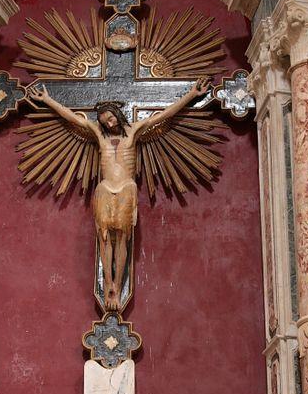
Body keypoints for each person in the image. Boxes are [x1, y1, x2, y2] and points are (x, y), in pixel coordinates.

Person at [27, 78, 210, 310]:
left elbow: (163, 116)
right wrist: (48, 100)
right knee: (104, 238)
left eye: (111, 118)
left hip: (126, 188)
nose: (110, 124)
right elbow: (73, 118)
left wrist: (191, 95)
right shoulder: (99, 135)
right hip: (104, 188)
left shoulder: (133, 131)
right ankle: (109, 282)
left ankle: (118, 281)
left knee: (122, 238)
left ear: (117, 114)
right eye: (105, 121)